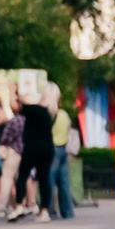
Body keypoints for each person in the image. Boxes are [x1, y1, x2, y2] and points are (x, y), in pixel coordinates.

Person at [17, 92, 55, 220]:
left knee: (23, 174)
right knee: (44, 178)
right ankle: (44, 210)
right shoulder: (50, 112)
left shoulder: (34, 109)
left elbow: (15, 107)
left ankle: (19, 205)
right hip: (47, 147)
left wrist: (13, 92)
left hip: (32, 146)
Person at [44, 84, 76, 219]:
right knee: (63, 181)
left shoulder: (46, 114)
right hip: (63, 149)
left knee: (48, 180)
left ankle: (49, 209)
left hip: (51, 149)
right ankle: (67, 211)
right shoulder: (64, 114)